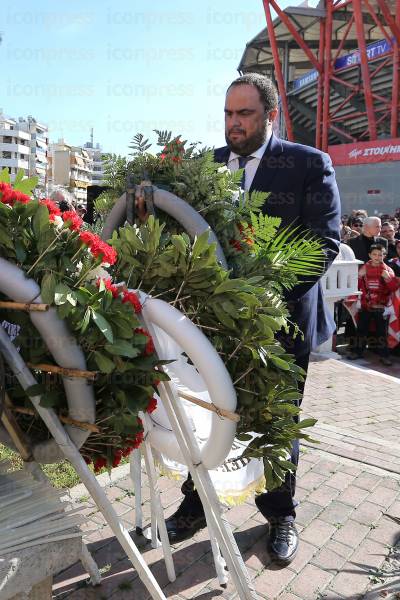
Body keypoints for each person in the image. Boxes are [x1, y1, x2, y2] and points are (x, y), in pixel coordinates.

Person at [163, 73, 341, 565]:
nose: (233, 124)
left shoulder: (307, 164)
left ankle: (280, 512)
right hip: (214, 327)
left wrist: (262, 299)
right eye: (227, 114)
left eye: (244, 114)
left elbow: (323, 243)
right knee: (207, 414)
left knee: (276, 423)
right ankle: (196, 503)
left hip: (281, 324)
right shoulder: (209, 167)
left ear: (270, 115)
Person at [349, 244, 398, 366]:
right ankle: (357, 352)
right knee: (361, 330)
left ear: (384, 255)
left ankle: (384, 356)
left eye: (380, 254)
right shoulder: (363, 268)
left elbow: (394, 288)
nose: (377, 257)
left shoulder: (388, 270)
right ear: (370, 255)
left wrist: (388, 279)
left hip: (381, 308)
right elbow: (355, 285)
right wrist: (360, 276)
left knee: (382, 333)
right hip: (366, 306)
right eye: (374, 254)